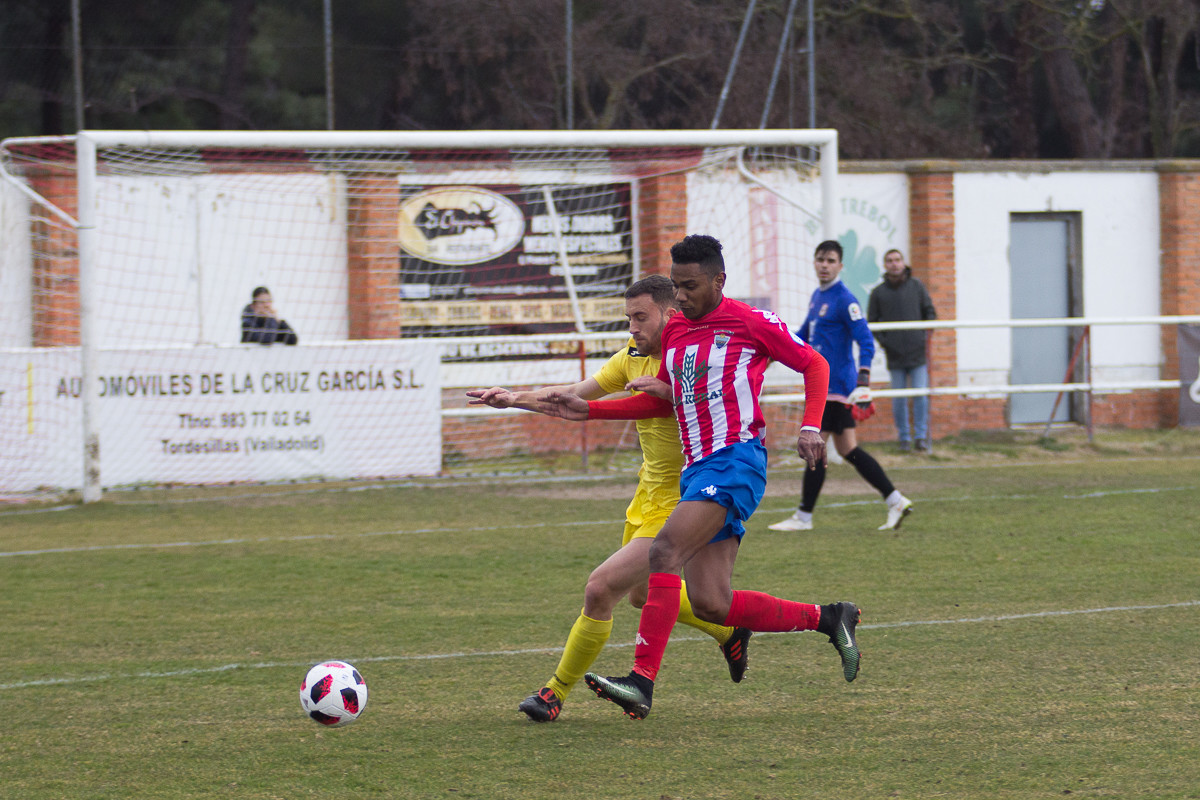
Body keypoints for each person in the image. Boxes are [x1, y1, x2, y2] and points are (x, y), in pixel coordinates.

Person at [539, 234, 860, 721]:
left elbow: (814, 363)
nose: (681, 296)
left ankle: (641, 681)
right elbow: (661, 402)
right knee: (712, 603)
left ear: (718, 280)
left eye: (689, 286)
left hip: (736, 459)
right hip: (697, 470)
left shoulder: (752, 322)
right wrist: (590, 411)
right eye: (676, 285)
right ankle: (830, 617)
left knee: (663, 551)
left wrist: (811, 425)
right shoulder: (676, 336)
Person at [466, 275, 752, 723]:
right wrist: (512, 398)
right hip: (646, 498)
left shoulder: (691, 362)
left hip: (685, 501)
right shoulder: (631, 359)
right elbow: (574, 395)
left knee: (600, 588)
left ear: (670, 313)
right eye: (628, 318)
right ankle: (727, 629)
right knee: (640, 596)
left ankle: (553, 693)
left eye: (641, 317)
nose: (633, 328)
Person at [769, 240, 913, 533]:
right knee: (848, 449)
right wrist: (773, 349)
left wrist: (863, 379)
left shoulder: (846, 300)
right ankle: (895, 500)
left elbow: (866, 340)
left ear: (840, 265)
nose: (824, 265)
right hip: (826, 386)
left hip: (835, 388)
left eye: (831, 260)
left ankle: (804, 516)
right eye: (820, 259)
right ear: (814, 262)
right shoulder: (817, 296)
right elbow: (803, 334)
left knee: (814, 450)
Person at [868, 248, 937, 452]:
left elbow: (930, 313)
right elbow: (872, 323)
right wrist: (886, 343)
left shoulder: (917, 286)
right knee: (899, 399)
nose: (894, 264)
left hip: (918, 355)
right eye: (889, 260)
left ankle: (921, 438)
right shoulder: (878, 292)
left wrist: (924, 336)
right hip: (894, 355)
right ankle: (904, 438)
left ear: (903, 262)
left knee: (920, 396)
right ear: (885, 264)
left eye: (897, 260)